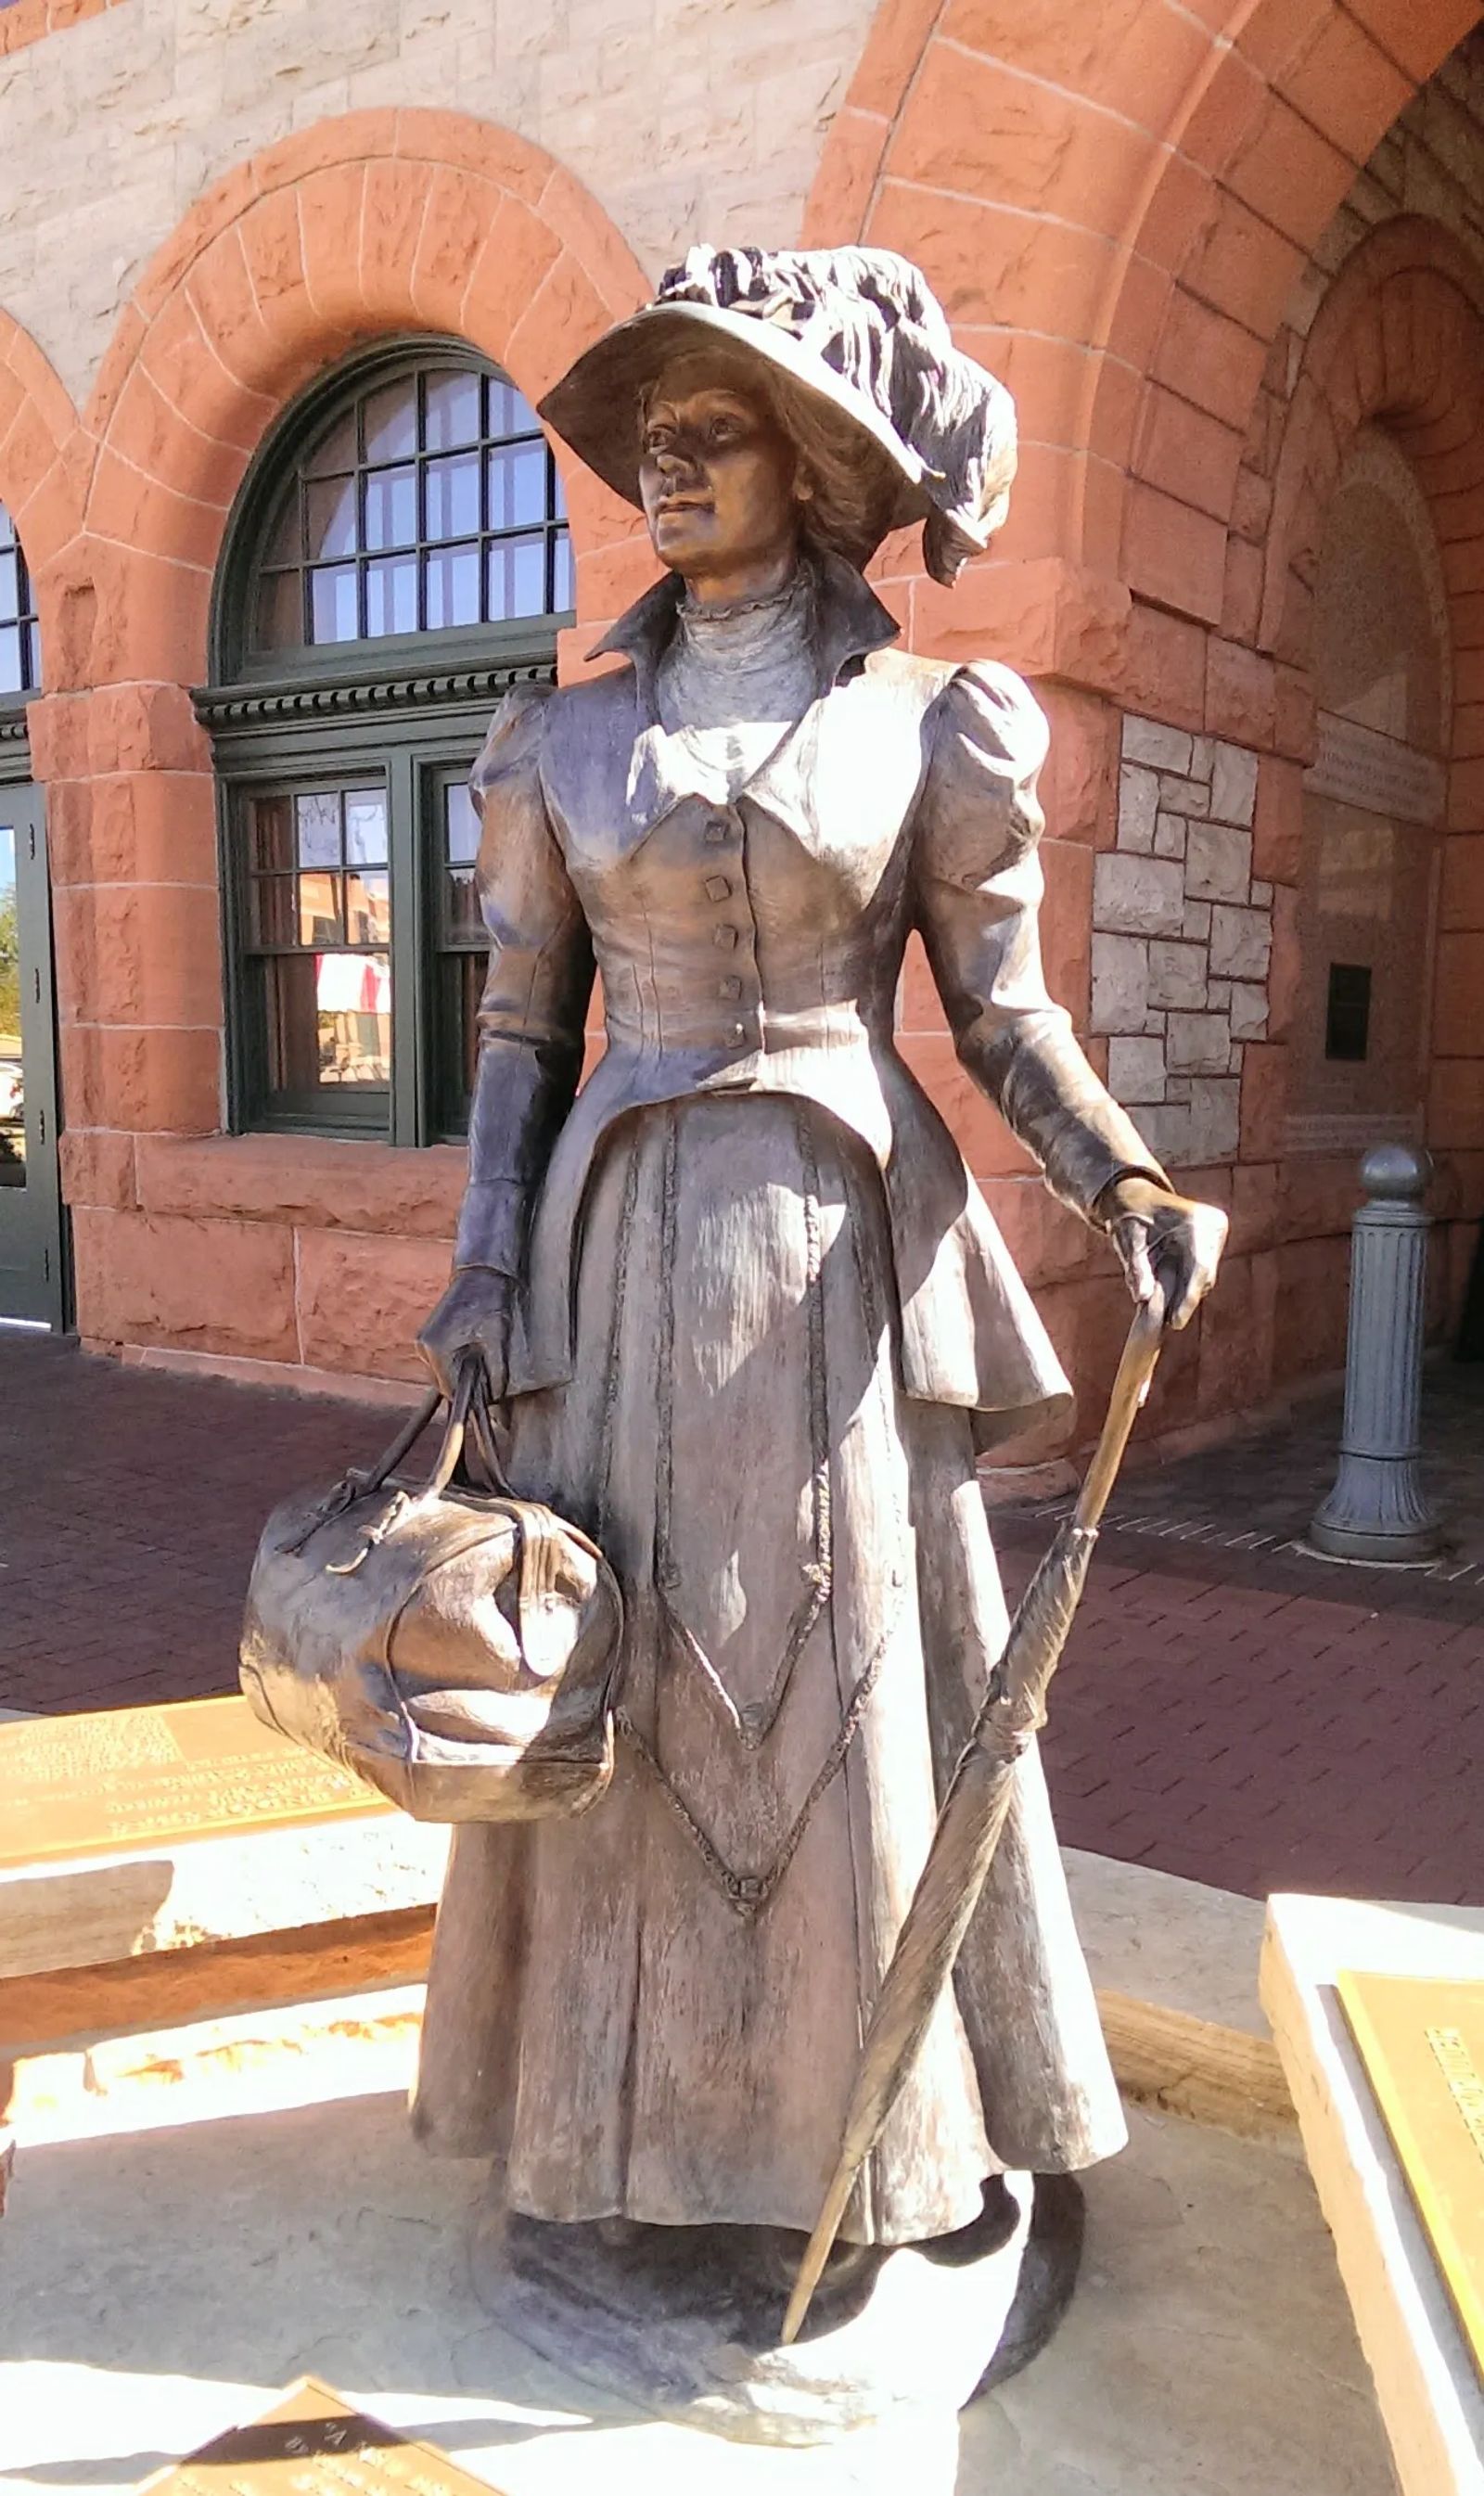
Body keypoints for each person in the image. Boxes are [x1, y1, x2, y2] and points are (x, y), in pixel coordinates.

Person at [414, 247, 1226, 2258]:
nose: (659, 471)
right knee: (617, 1672)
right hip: (614, 1262)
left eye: (707, 434)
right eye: (644, 442)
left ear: (814, 460)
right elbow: (519, 1032)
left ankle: (861, 2151)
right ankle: (604, 2147)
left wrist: (1122, 1179)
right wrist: (480, 1267)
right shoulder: (561, 743)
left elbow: (1005, 1013)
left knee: (845, 1681)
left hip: (839, 1253)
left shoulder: (939, 723)